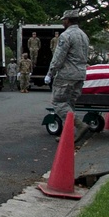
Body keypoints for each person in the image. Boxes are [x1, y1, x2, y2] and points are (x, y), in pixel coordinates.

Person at [45, 10, 91, 145]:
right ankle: (67, 135)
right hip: (80, 74)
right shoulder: (84, 35)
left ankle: (80, 125)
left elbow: (58, 57)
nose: (62, 22)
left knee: (58, 103)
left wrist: (50, 73)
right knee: (70, 104)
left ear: (68, 20)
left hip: (67, 74)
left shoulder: (66, 35)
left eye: (63, 19)